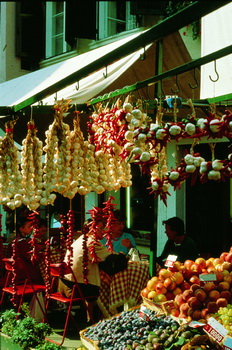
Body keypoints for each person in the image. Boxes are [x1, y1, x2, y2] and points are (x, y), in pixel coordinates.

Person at [58, 218, 112, 323]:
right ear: (92, 230)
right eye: (100, 228)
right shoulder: (92, 243)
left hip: (63, 286)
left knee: (94, 280)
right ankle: (99, 318)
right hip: (74, 289)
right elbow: (110, 257)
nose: (104, 231)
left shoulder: (81, 239)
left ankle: (91, 317)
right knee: (100, 287)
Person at [10, 217, 44, 284]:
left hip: (18, 272)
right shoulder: (21, 242)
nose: (32, 229)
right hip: (26, 273)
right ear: (21, 229)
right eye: (29, 227)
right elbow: (31, 258)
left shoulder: (16, 240)